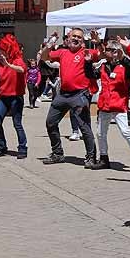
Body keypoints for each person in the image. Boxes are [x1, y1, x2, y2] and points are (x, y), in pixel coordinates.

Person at [41, 29, 98, 166]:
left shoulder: (86, 52)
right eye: (74, 36)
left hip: (79, 95)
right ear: (68, 38)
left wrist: (98, 42)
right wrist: (50, 43)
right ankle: (57, 153)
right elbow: (44, 57)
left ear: (82, 41)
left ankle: (91, 157)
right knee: (50, 122)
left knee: (84, 127)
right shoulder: (62, 52)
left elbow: (101, 54)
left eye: (79, 37)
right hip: (62, 95)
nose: (76, 39)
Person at [90, 37, 130, 173]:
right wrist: (88, 62)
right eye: (107, 50)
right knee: (100, 133)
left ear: (117, 52)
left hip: (118, 105)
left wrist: (124, 58)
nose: (106, 52)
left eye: (109, 50)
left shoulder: (125, 66)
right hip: (104, 105)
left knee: (125, 131)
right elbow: (91, 75)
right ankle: (104, 158)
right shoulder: (103, 66)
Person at [0, 34, 27, 159]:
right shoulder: (0, 62)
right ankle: (1, 145)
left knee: (17, 123)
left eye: (2, 49)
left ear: (9, 49)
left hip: (16, 97)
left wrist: (8, 65)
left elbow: (21, 70)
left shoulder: (17, 60)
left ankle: (22, 148)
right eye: (0, 49)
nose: (0, 52)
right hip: (3, 96)